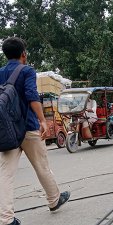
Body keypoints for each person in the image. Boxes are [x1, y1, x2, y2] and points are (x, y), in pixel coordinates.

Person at [0, 37, 70, 225]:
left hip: (8, 131)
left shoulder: (0, 73)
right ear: (24, 53)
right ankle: (54, 200)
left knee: (5, 174)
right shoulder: (27, 71)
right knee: (41, 166)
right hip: (29, 128)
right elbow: (32, 96)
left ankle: (5, 219)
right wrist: (42, 121)